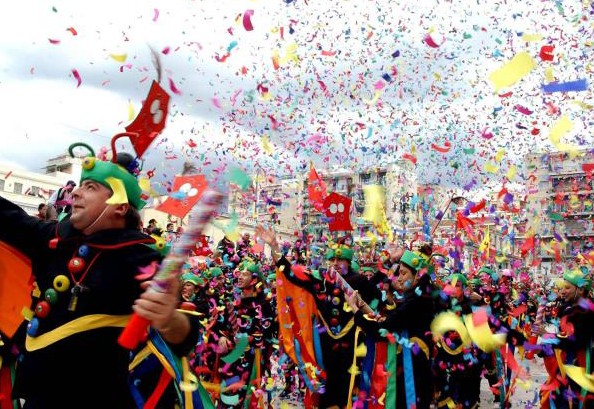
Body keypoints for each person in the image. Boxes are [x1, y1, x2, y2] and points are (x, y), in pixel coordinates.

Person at [0, 150, 200, 408]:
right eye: (80, 185)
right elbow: (7, 217)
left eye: (90, 187)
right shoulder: (53, 240)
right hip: (38, 398)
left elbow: (186, 338)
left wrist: (169, 319)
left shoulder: (142, 261)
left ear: (120, 207)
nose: (75, 193)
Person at [346, 249, 436, 409]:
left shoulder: (417, 301)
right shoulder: (418, 297)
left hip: (412, 375)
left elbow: (382, 332)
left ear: (417, 277)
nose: (399, 278)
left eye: (403, 274)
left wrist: (355, 310)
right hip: (412, 372)